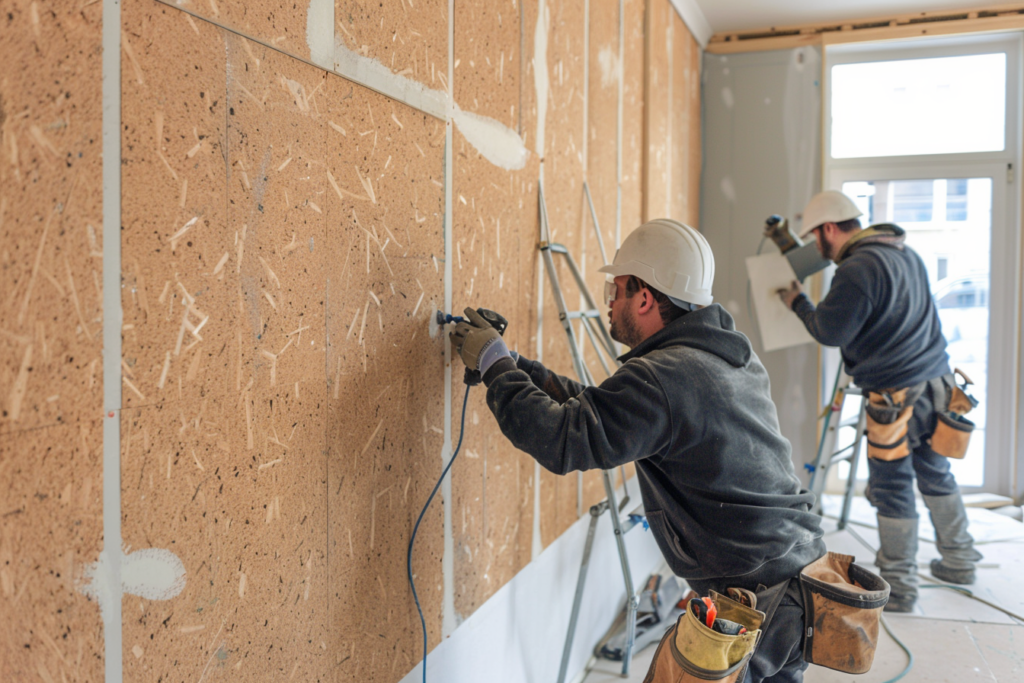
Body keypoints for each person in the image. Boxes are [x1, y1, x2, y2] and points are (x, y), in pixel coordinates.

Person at [451, 219, 825, 682]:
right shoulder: (724, 355)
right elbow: (604, 415)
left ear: (644, 297)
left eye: (617, 289)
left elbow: (564, 439)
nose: (609, 301)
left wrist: (494, 365)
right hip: (795, 580)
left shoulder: (664, 377)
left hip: (755, 600)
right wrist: (512, 363)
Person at [777, 190, 982, 613]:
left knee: (891, 487)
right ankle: (961, 561)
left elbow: (830, 332)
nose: (819, 249)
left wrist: (797, 301)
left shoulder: (856, 269)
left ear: (829, 229)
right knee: (935, 471)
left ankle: (901, 586)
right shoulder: (905, 254)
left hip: (896, 395)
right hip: (938, 383)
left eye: (816, 239)